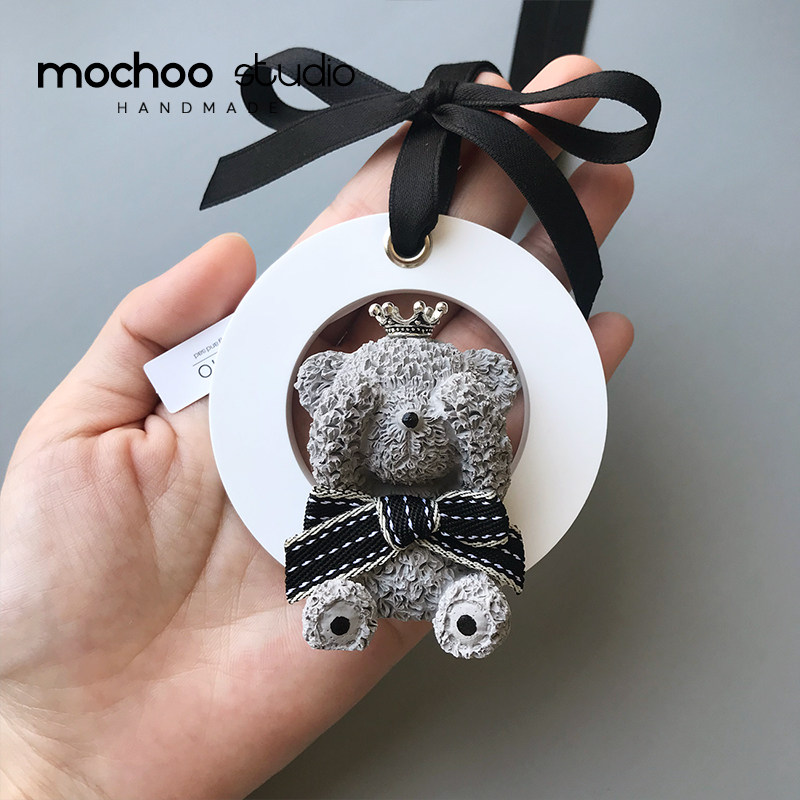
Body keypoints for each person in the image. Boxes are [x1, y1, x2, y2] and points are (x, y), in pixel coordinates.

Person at [0, 55, 635, 799]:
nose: (409, 418)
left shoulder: (470, 440)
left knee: (465, 591)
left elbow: (483, 476)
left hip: (439, 549)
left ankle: (458, 609)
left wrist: (464, 409)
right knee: (346, 594)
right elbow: (335, 466)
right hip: (363, 553)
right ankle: (345, 607)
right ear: (330, 391)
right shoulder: (342, 448)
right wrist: (42, 752)